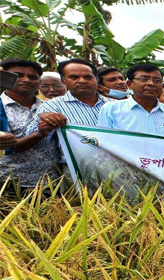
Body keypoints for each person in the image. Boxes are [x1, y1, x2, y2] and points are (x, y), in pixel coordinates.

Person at [22, 59, 114, 154]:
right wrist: (41, 132)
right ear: (63, 80)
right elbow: (36, 144)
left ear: (97, 79)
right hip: (78, 167)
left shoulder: (115, 105)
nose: (82, 81)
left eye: (87, 77)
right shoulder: (51, 106)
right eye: (74, 77)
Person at [0, 58, 50, 190]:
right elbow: (8, 146)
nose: (26, 80)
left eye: (33, 77)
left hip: (50, 184)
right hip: (8, 183)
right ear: (4, 77)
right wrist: (39, 134)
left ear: (39, 82)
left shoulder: (51, 107)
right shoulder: (1, 106)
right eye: (18, 75)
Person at [97, 64, 164, 137]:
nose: (151, 83)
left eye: (157, 80)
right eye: (144, 79)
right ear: (130, 84)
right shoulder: (112, 109)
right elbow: (103, 141)